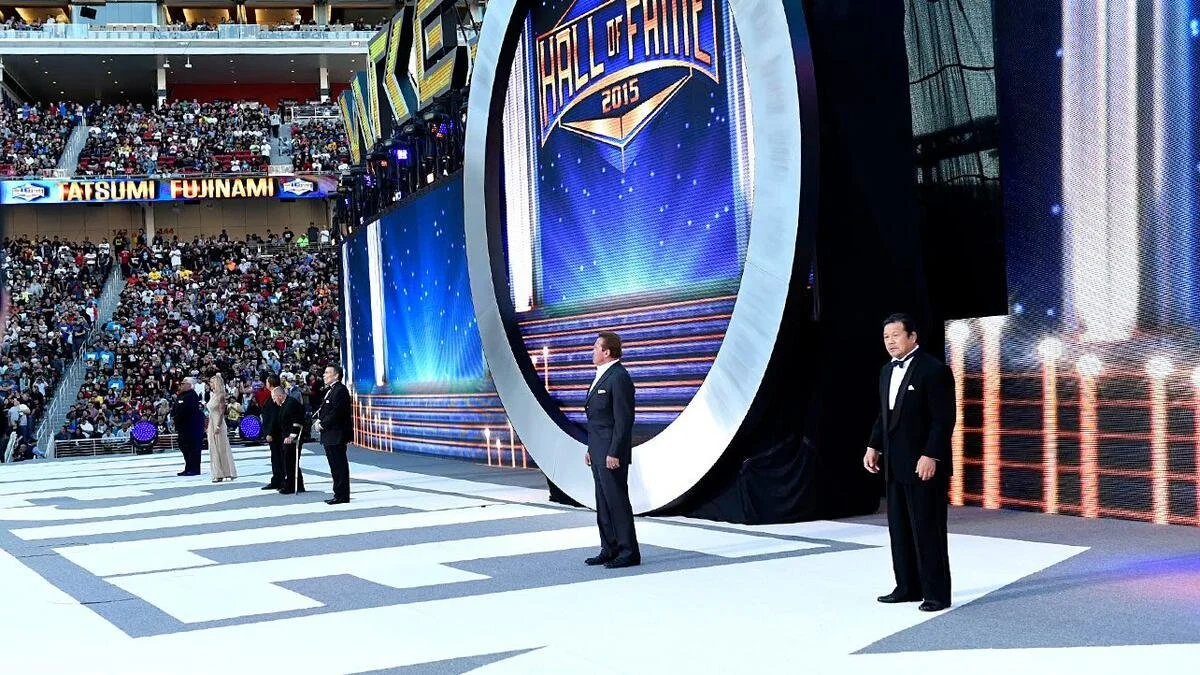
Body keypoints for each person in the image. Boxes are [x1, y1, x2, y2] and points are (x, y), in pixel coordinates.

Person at [864, 313, 955, 612]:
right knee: (900, 529)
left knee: (928, 529)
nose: (890, 342)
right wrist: (873, 446)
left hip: (924, 464)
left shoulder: (934, 370)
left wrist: (931, 455)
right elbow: (883, 414)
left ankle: (936, 594)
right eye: (886, 337)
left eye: (896, 335)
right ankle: (907, 587)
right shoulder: (885, 372)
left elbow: (944, 420)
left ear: (912, 337)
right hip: (895, 464)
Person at [583, 331, 639, 569]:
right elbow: (597, 419)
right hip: (597, 450)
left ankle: (628, 552)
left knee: (616, 501)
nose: (592, 351)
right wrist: (590, 448)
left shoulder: (619, 377)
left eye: (596, 347)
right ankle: (609, 548)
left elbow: (623, 420)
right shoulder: (601, 376)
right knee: (603, 502)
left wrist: (614, 452)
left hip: (611, 453)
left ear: (607, 352)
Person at [313, 364, 352, 504]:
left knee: (339, 465)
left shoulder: (340, 390)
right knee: (334, 466)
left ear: (336, 375)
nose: (324, 375)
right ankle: (338, 493)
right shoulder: (330, 390)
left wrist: (323, 424)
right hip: (330, 434)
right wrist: (319, 420)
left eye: (327, 372)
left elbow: (337, 412)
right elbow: (325, 409)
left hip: (337, 434)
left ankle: (342, 495)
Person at [274, 386, 306, 494]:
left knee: (291, 461)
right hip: (285, 437)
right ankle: (297, 484)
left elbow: (297, 421)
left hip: (292, 438)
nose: (274, 401)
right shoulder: (284, 404)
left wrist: (292, 436)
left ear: (280, 395)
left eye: (274, 398)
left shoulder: (291, 403)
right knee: (290, 461)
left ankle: (292, 485)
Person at [206, 372, 238, 482]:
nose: (210, 384)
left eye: (211, 382)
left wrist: (218, 426)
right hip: (211, 422)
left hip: (218, 423)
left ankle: (227, 472)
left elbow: (221, 412)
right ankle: (217, 473)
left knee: (221, 448)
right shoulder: (213, 395)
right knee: (213, 448)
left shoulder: (221, 395)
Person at [172, 377, 204, 476]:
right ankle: (188, 467)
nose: (181, 385)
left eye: (183, 383)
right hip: (182, 427)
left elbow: (187, 411)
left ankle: (194, 469)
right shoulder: (181, 395)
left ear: (189, 385)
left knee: (193, 448)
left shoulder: (192, 395)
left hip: (191, 427)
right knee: (184, 448)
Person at [260, 375, 283, 490]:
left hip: (276, 433)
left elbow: (274, 416)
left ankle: (280, 480)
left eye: (266, 381)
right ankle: (276, 479)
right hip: (273, 432)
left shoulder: (276, 395)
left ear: (270, 383)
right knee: (275, 457)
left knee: (278, 457)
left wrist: (270, 432)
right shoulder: (272, 395)